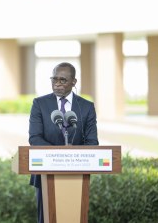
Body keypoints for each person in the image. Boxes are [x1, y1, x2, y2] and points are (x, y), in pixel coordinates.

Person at [28, 62, 98, 223]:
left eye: (62, 80)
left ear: (74, 82)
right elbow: (35, 138)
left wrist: (73, 155)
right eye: (54, 79)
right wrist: (59, 154)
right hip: (45, 174)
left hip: (77, 174)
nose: (57, 83)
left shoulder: (86, 107)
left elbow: (92, 142)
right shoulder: (40, 104)